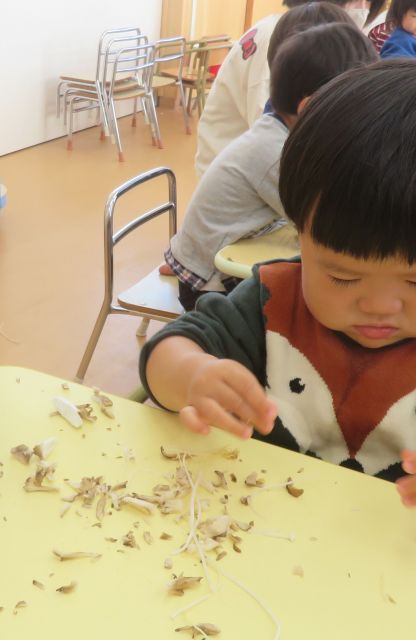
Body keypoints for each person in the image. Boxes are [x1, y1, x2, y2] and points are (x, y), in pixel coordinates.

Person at [141, 59, 416, 508]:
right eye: (342, 276)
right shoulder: (274, 302)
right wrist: (193, 376)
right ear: (298, 231)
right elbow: (170, 349)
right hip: (258, 535)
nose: (381, 305)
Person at [165, 17, 377, 311]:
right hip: (209, 286)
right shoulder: (274, 152)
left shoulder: (284, 132)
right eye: (353, 107)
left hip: (229, 256)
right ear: (311, 106)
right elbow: (323, 223)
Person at [194, 0, 380, 179]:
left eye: (369, 1)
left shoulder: (301, 32)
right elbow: (275, 148)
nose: (363, 9)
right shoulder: (289, 44)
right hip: (239, 178)